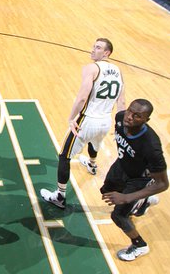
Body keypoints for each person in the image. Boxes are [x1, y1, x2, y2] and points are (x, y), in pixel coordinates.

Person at [41, 38, 125, 209]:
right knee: (95, 142)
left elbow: (81, 98)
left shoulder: (91, 68)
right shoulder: (118, 71)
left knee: (64, 156)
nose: (93, 49)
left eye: (98, 47)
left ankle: (59, 196)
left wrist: (71, 118)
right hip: (106, 120)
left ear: (107, 53)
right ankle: (92, 165)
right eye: (94, 46)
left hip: (87, 120)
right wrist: (120, 126)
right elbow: (122, 102)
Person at [101, 99, 168, 261]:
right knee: (106, 191)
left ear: (146, 120)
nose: (129, 116)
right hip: (122, 166)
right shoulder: (120, 118)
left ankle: (140, 245)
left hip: (139, 179)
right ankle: (143, 202)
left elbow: (163, 184)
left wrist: (127, 197)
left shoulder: (151, 146)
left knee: (118, 216)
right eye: (130, 111)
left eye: (137, 115)